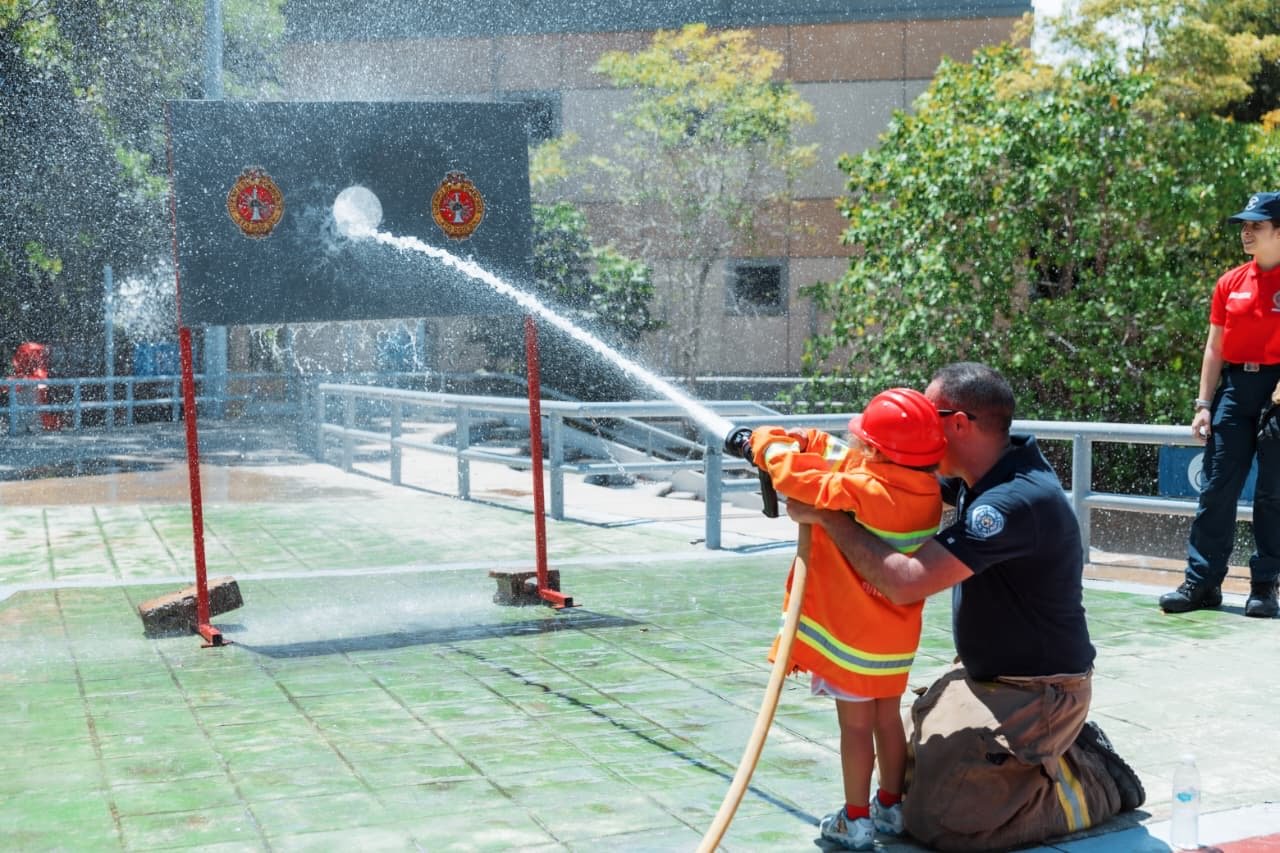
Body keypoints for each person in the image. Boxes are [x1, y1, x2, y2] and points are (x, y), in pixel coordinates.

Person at [784, 362, 1144, 852]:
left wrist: (826, 516)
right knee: (903, 771)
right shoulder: (980, 475)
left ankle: (1091, 780)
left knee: (944, 820)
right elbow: (884, 485)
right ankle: (1033, 758)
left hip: (1039, 692)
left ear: (958, 423)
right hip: (988, 679)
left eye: (927, 417)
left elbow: (905, 583)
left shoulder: (1011, 501)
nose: (918, 427)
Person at [749, 388, 946, 851]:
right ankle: (891, 807)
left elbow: (791, 475)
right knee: (887, 720)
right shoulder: (926, 492)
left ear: (875, 451)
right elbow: (848, 458)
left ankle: (855, 820)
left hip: (851, 640)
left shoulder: (855, 489)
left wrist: (764, 439)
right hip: (894, 639)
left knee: (855, 728)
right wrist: (813, 439)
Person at [1160, 191, 1280, 618]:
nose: (1246, 233)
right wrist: (1203, 403)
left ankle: (1265, 588)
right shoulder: (1229, 282)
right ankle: (1202, 584)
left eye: (1257, 226)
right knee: (1216, 489)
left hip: (1278, 390)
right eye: (1244, 226)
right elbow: (1214, 348)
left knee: (1272, 495)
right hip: (1234, 388)